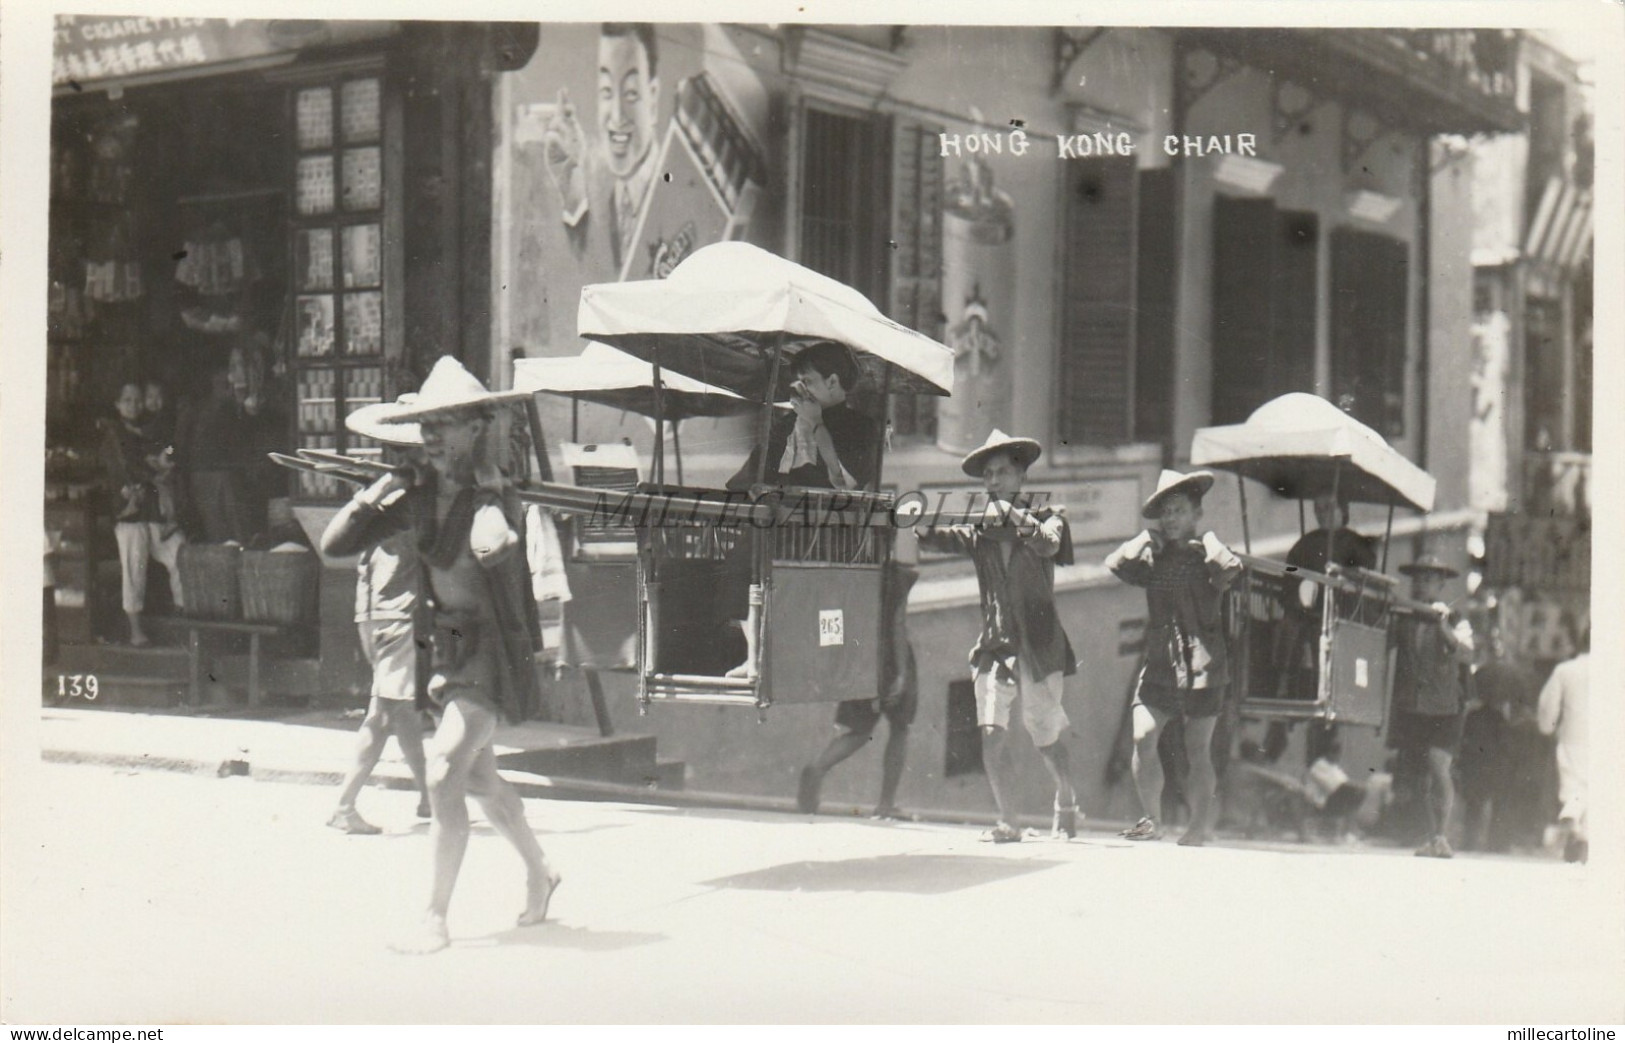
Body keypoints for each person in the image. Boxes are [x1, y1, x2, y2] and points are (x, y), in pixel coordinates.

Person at [322, 357, 559, 954]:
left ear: (476, 428)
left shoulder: (493, 491)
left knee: (445, 770)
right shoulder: (413, 494)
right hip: (446, 649)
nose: (432, 434)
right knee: (480, 777)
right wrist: (376, 494)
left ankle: (434, 918)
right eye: (426, 424)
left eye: (446, 423)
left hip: (490, 653)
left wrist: (492, 517)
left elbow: (494, 543)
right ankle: (540, 871)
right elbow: (335, 546)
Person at [917, 430, 1081, 842]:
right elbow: (942, 537)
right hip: (996, 643)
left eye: (1002, 473)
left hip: (1040, 645)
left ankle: (1066, 798)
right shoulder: (981, 531)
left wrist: (1015, 518)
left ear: (1022, 477)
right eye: (987, 475)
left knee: (1045, 736)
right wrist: (917, 522)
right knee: (990, 730)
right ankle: (1009, 821)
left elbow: (1049, 545)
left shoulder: (1049, 517)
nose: (992, 482)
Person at [722, 341, 879, 679]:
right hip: (780, 525)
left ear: (833, 382)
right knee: (741, 561)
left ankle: (796, 659)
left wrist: (816, 425)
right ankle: (757, 656)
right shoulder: (785, 425)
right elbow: (752, 475)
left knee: (809, 594)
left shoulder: (862, 427)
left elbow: (843, 481)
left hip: (828, 532)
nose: (799, 389)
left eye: (807, 381)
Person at [1106, 469, 1242, 846]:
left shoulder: (1209, 555)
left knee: (1198, 749)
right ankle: (1153, 819)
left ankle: (1198, 826)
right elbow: (1115, 564)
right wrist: (1145, 537)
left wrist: (1210, 539)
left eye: (1178, 511)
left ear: (1196, 513)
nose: (1170, 519)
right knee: (1143, 735)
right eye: (1165, 513)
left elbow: (1231, 570)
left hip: (1204, 665)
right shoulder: (1154, 557)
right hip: (1162, 663)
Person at [326, 402, 433, 835]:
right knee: (384, 713)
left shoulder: (386, 496)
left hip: (374, 614)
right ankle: (344, 804)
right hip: (398, 615)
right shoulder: (410, 501)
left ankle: (430, 796)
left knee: (400, 711)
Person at [796, 564, 920, 820]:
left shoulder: (848, 573)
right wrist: (901, 672)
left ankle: (818, 767)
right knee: (900, 728)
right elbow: (897, 623)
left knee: (860, 731)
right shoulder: (894, 576)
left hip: (859, 657)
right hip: (887, 659)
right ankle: (886, 804)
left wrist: (836, 664)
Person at [541, 22, 663, 273]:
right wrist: (571, 191)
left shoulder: (680, 183)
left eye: (631, 93)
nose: (617, 116)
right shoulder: (597, 187)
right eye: (607, 91)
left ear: (653, 100)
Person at [1270, 492, 1378, 762]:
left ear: (1343, 509)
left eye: (1329, 507)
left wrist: (1341, 575)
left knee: (1325, 635)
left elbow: (1366, 577)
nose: (1322, 513)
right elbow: (1291, 571)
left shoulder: (1356, 544)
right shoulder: (1306, 544)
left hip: (1342, 611)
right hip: (1307, 609)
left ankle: (1326, 704)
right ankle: (1283, 683)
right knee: (1289, 624)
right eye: (1317, 508)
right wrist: (1300, 580)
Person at [1387, 555, 1476, 859]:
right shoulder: (1405, 617)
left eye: (1429, 579)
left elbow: (1464, 652)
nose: (1423, 583)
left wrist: (1442, 625)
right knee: (1420, 774)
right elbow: (1387, 644)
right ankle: (1432, 837)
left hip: (1445, 705)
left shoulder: (1456, 617)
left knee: (1439, 765)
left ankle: (1442, 835)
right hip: (1414, 704)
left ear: (1441, 584)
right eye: (1419, 578)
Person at [102, 381, 187, 646]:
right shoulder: (114, 434)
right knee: (134, 569)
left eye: (138, 399)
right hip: (131, 514)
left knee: (180, 553)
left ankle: (184, 616)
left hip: (155, 513)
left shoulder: (152, 429)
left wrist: (167, 454)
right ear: (117, 405)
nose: (134, 405)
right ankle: (136, 630)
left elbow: (173, 446)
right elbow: (127, 467)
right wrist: (155, 471)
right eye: (127, 400)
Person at [1537, 628, 1589, 863]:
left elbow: (1548, 709)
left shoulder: (1565, 670)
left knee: (1574, 784)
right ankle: (1582, 834)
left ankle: (1572, 817)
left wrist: (1547, 727)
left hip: (1574, 736)